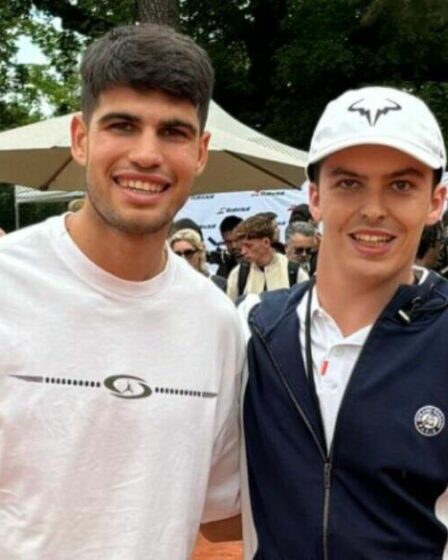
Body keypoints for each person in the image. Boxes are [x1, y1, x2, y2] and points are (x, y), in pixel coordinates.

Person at [0, 24, 245, 560]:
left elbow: (218, 522)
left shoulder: (216, 323)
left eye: (174, 132)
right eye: (123, 125)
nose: (147, 154)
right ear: (81, 138)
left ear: (201, 152)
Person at [239, 86, 448, 559]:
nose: (373, 209)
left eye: (401, 185)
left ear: (436, 201)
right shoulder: (254, 329)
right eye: (349, 183)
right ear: (315, 197)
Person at [226, 213, 308, 302]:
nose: (243, 251)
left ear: (266, 242)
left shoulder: (293, 271)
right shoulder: (238, 274)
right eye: (242, 246)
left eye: (248, 246)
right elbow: (231, 312)